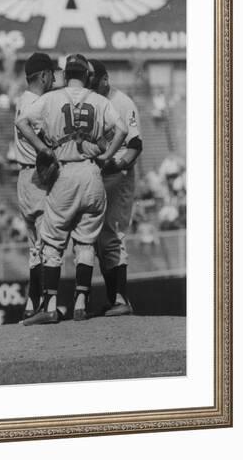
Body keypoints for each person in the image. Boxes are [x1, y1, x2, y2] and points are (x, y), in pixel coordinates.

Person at [17, 54, 127, 325]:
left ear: (66, 74)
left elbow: (22, 123)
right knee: (86, 241)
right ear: (86, 75)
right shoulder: (100, 100)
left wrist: (42, 148)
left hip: (65, 171)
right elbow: (122, 129)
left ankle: (50, 305)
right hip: (92, 173)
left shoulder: (52, 98)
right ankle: (81, 302)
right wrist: (107, 156)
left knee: (53, 241)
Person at [88, 59, 143, 316]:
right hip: (102, 173)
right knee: (100, 240)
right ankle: (114, 299)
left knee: (114, 234)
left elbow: (135, 145)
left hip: (119, 174)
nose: (90, 86)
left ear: (105, 79)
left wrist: (117, 164)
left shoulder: (122, 102)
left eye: (93, 81)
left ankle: (122, 299)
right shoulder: (94, 101)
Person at [14, 52, 56, 319]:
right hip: (37, 177)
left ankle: (32, 303)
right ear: (43, 76)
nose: (54, 77)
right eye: (51, 73)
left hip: (23, 176)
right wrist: (46, 149)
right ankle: (45, 306)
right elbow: (47, 136)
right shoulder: (38, 104)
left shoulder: (22, 99)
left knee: (34, 245)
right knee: (47, 241)